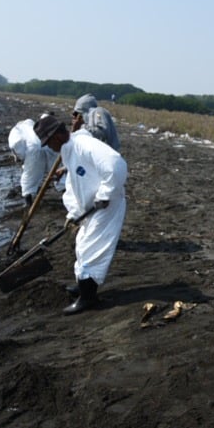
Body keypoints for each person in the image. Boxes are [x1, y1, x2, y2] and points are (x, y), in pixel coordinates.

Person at [53, 117, 128, 315]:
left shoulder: (85, 145)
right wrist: (74, 213)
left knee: (92, 248)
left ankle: (88, 297)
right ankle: (83, 284)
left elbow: (116, 164)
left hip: (107, 204)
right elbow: (75, 185)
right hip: (91, 207)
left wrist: (105, 194)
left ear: (58, 135)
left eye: (48, 141)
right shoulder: (68, 148)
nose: (48, 146)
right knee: (82, 243)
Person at [8, 113, 61, 201]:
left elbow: (15, 145)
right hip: (48, 145)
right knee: (57, 172)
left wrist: (21, 157)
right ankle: (66, 191)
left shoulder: (16, 130)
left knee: (29, 178)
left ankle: (28, 201)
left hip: (33, 150)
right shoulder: (34, 127)